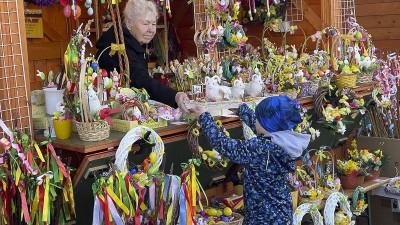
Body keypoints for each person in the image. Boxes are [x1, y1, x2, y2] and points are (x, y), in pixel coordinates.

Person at [190, 96, 311, 225]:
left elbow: (223, 144)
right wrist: (241, 110)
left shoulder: (260, 147)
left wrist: (204, 117)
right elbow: (263, 128)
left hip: (261, 216)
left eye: (258, 117)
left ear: (266, 123)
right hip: (281, 211)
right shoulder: (283, 140)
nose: (256, 120)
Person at [95, 0, 189, 112]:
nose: (151, 30)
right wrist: (174, 96)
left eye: (154, 24)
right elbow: (140, 80)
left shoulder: (133, 41)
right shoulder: (118, 47)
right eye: (145, 24)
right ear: (129, 23)